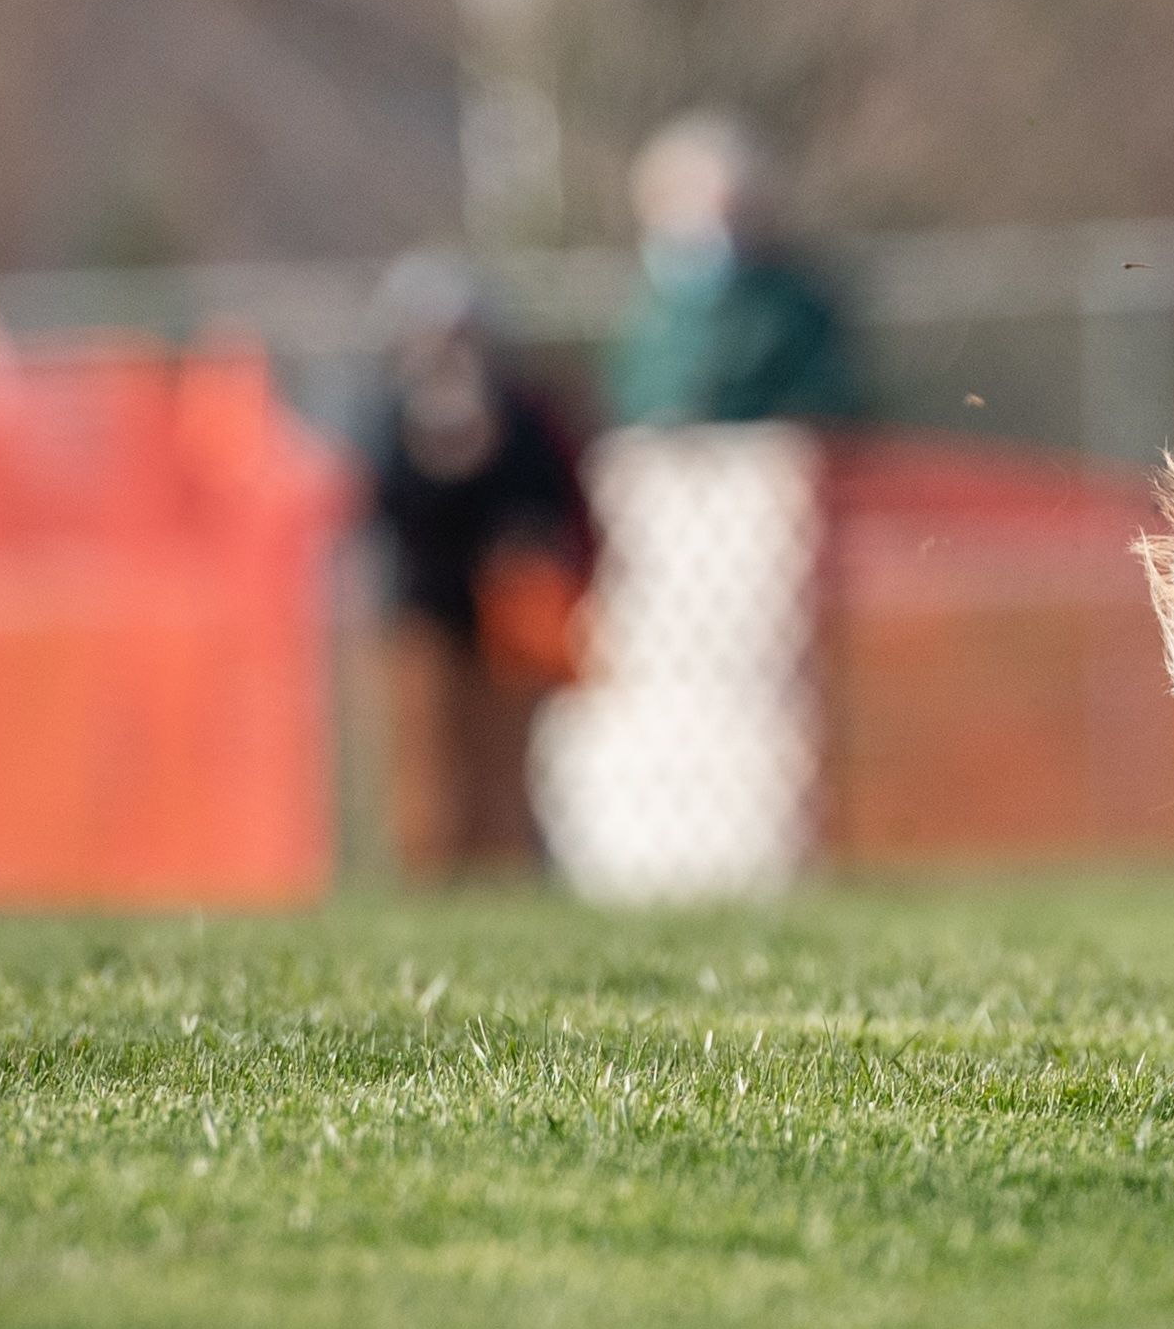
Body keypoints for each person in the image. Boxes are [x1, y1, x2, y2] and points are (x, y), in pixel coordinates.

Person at [357, 255, 594, 879]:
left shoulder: (521, 414)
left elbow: (548, 498)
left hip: (507, 615)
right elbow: (381, 500)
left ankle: (507, 877)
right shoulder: (388, 414)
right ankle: (429, 880)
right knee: (426, 762)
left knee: (505, 764)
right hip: (422, 611)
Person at [608, 109, 861, 426]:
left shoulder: (793, 307)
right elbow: (631, 400)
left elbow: (825, 407)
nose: (696, 222)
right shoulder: (644, 310)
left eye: (721, 210)